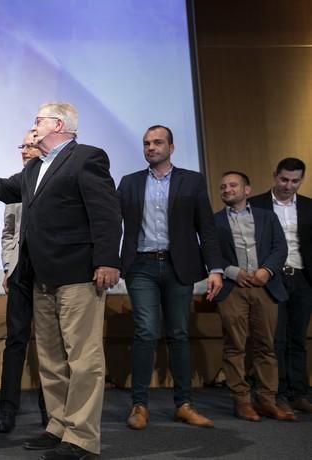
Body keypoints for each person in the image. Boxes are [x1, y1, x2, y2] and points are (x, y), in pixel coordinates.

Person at [0, 102, 122, 460]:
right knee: (50, 358)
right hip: (41, 277)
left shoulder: (87, 158)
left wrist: (107, 260)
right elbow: (6, 187)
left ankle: (81, 437)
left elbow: (106, 212)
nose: (33, 126)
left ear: (58, 124)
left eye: (37, 120)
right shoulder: (36, 166)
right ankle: (58, 426)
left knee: (83, 358)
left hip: (78, 274)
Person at [118, 125, 223, 430]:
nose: (151, 147)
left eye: (158, 142)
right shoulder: (129, 183)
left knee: (178, 333)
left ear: (171, 147)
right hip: (141, 266)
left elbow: (206, 228)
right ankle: (139, 406)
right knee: (146, 332)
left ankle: (184, 404)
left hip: (180, 267)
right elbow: (111, 222)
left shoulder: (192, 181)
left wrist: (215, 268)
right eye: (147, 143)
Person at [213, 171, 293, 421]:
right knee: (235, 347)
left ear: (247, 190)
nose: (227, 189)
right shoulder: (213, 221)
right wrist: (233, 272)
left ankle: (267, 400)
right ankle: (242, 402)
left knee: (266, 346)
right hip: (232, 289)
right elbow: (210, 252)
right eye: (223, 186)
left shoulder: (267, 217)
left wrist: (267, 271)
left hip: (264, 287)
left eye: (233, 185)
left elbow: (281, 247)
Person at [0, 129, 47, 434]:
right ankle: (6, 412)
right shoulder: (16, 185)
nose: (25, 151)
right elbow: (8, 232)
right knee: (15, 341)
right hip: (19, 274)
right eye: (22, 146)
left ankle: (49, 409)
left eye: (31, 146)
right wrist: (7, 266)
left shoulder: (52, 180)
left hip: (48, 273)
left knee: (49, 344)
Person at [250, 157, 312, 415]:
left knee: (297, 338)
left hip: (302, 277)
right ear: (275, 175)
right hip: (272, 277)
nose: (289, 185)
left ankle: (299, 392)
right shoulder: (256, 205)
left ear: (301, 180)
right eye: (284, 179)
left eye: (295, 181)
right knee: (276, 339)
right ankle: (278, 393)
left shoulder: (309, 206)